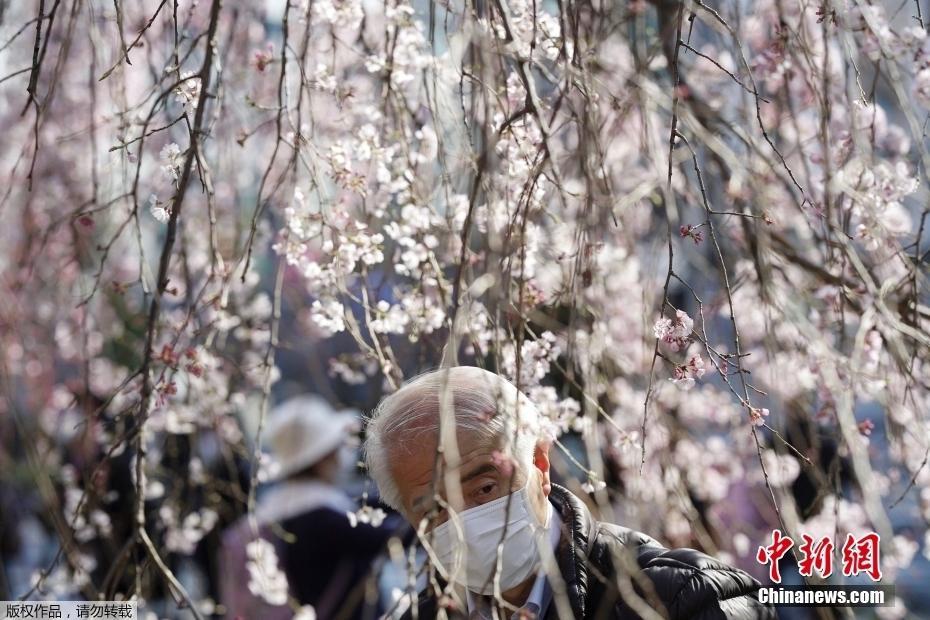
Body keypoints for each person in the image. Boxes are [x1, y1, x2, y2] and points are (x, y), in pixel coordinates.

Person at [364, 366, 775, 619]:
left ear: (540, 464)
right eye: (436, 510)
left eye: (484, 488)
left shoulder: (679, 599)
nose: (465, 521)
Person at [220, 394, 403, 620]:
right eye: (336, 449)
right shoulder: (322, 518)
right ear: (322, 458)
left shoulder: (279, 510)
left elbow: (371, 507)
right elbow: (396, 537)